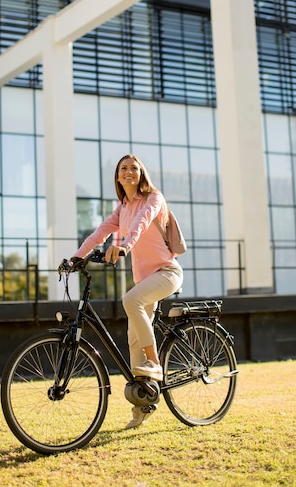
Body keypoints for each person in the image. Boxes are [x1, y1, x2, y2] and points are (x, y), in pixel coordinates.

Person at [71, 154, 183, 429]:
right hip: (145, 281)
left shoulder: (153, 198)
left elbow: (141, 224)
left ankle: (156, 363)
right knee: (134, 340)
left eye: (134, 168)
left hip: (167, 273)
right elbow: (98, 234)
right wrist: (75, 258)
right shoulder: (122, 207)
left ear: (141, 174)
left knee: (130, 300)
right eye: (124, 168)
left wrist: (125, 246)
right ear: (118, 177)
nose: (129, 171)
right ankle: (143, 404)